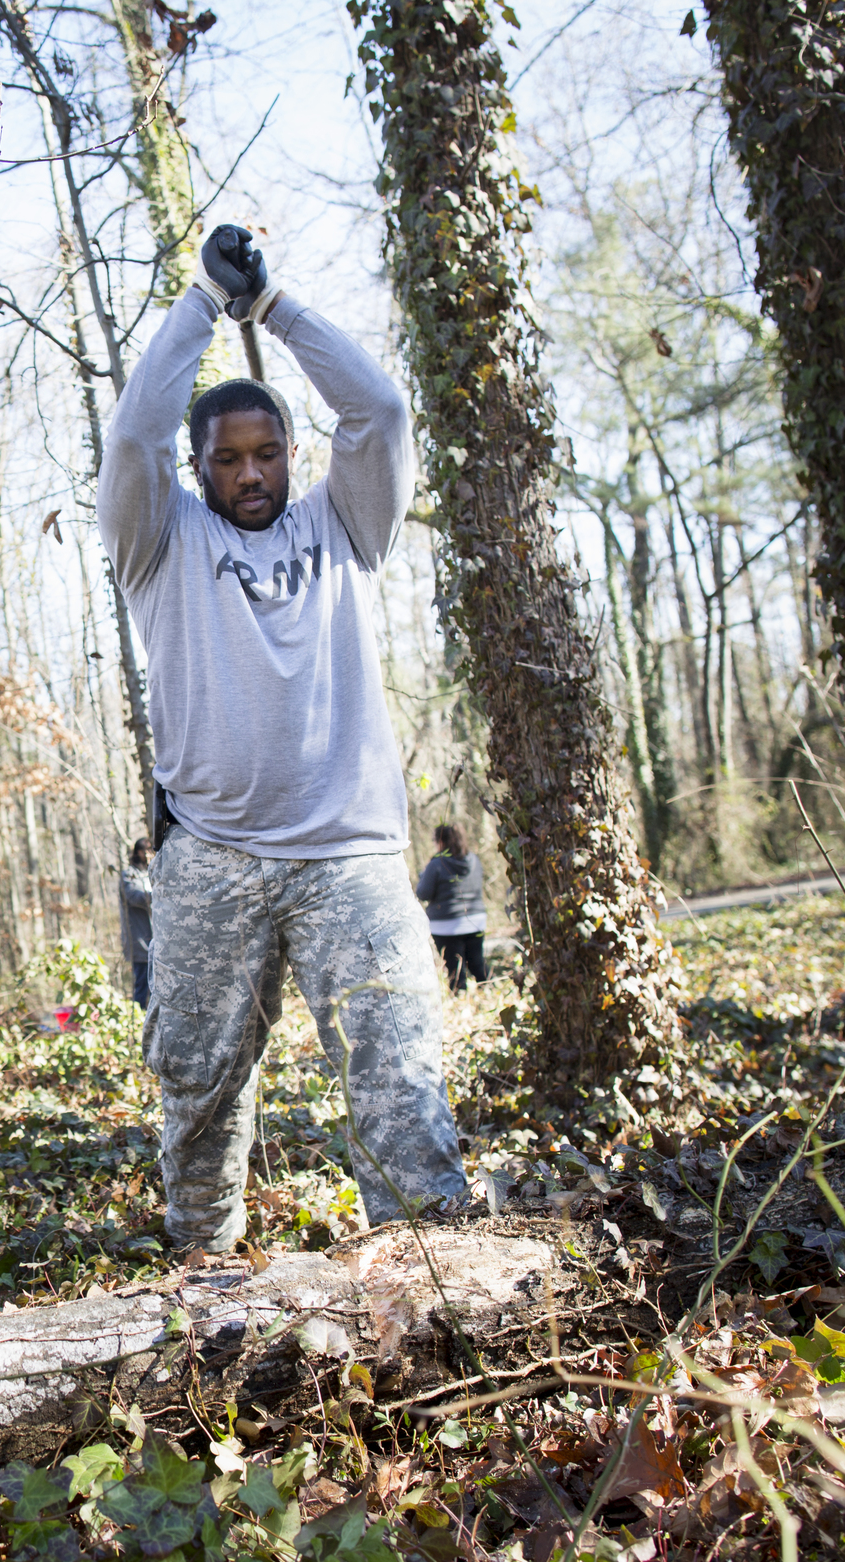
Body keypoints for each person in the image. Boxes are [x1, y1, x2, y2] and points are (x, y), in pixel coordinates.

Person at [99, 223, 474, 1254]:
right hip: (213, 854)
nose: (251, 472)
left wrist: (270, 307)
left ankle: (432, 1268)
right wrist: (198, 305)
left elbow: (382, 408)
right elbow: (131, 437)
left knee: (394, 1066)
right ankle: (202, 1268)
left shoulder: (343, 524)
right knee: (199, 1082)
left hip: (348, 854)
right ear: (199, 467)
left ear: (294, 457)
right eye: (228, 458)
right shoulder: (160, 539)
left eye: (268, 453)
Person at [415, 824, 489, 991]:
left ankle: (460, 999)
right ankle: (489, 990)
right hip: (476, 920)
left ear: (441, 841)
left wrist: (423, 876)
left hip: (446, 925)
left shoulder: (437, 864)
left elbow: (423, 893)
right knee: (478, 963)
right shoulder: (474, 860)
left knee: (455, 971)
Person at [120, 838, 155, 1006]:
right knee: (142, 984)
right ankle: (139, 1021)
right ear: (139, 852)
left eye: (151, 852)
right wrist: (158, 895)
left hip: (158, 940)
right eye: (146, 852)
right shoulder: (129, 874)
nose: (149, 856)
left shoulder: (153, 872)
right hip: (139, 940)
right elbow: (133, 896)